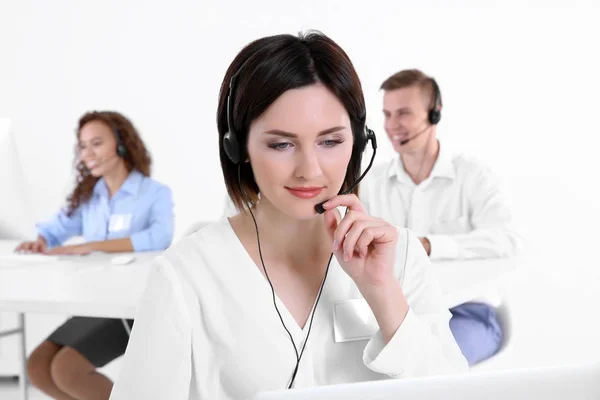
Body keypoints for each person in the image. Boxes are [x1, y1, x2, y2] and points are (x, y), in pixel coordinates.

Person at [109, 31, 468, 400]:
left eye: (330, 142)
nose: (309, 170)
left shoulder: (402, 257)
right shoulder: (186, 274)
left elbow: (458, 394)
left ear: (359, 140)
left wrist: (383, 293)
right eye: (281, 144)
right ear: (238, 147)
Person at [359, 69, 523, 365]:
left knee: (431, 367)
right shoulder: (372, 184)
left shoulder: (473, 176)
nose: (392, 126)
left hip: (468, 313)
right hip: (396, 318)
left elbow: (508, 241)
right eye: (387, 114)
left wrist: (429, 245)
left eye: (404, 113)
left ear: (434, 114)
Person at [17, 111, 174, 400]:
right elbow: (58, 227)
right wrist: (40, 240)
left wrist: (95, 245)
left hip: (132, 306)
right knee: (37, 367)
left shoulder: (154, 193)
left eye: (96, 143)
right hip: (96, 303)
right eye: (83, 145)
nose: (87, 153)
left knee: (67, 371)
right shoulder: (90, 196)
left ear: (121, 144)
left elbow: (160, 237)